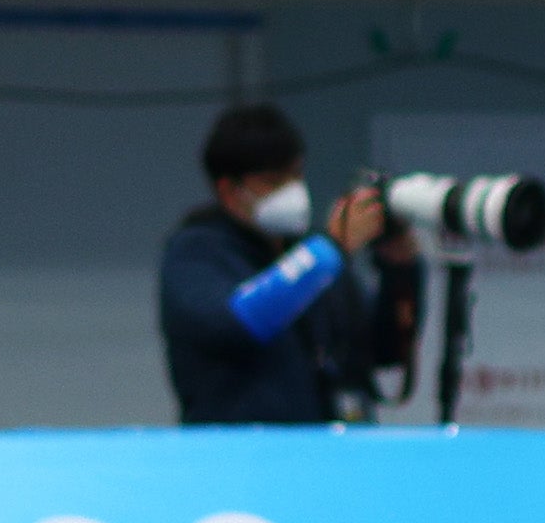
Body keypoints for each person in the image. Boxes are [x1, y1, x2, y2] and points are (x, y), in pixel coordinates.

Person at [159, 103, 422, 426]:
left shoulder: (312, 255)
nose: (292, 190)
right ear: (229, 190)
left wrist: (400, 268)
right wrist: (331, 249)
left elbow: (384, 350)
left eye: (296, 175)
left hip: (329, 450)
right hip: (237, 456)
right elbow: (238, 323)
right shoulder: (197, 252)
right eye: (273, 181)